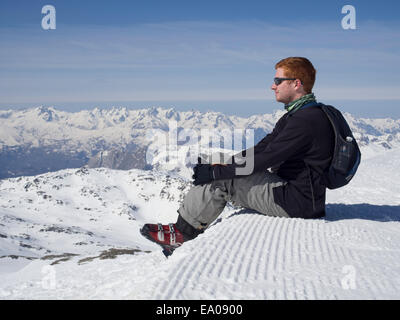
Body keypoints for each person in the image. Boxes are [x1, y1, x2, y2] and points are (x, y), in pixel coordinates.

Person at [140, 57, 335, 255]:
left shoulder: (305, 121)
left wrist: (218, 173)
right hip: (294, 193)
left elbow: (266, 158)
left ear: (296, 83)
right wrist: (221, 164)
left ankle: (182, 234)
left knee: (223, 180)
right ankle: (183, 225)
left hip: (296, 202)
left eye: (278, 81)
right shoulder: (298, 115)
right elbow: (262, 148)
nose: (272, 86)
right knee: (215, 161)